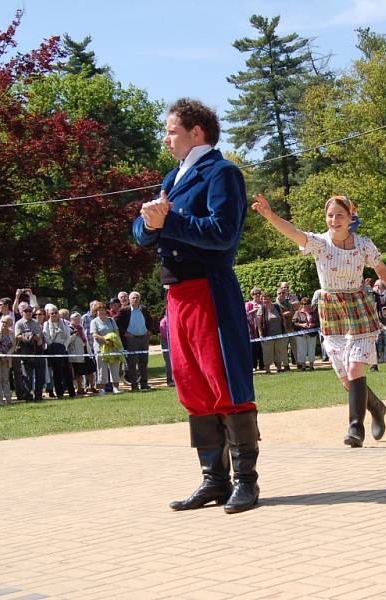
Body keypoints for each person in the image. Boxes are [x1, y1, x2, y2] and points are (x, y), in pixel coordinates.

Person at [134, 97, 259, 513]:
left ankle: (246, 481)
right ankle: (214, 479)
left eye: (171, 130)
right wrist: (150, 224)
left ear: (197, 132)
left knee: (225, 382)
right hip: (178, 294)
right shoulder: (172, 177)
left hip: (209, 288)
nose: (166, 138)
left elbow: (222, 233)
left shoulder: (222, 173)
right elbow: (142, 230)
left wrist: (168, 220)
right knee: (193, 387)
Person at [251, 193, 386, 447]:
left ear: (350, 218)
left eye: (340, 215)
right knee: (347, 379)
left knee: (355, 367)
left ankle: (355, 428)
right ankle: (376, 406)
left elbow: (380, 268)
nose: (334, 220)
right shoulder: (320, 243)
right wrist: (270, 215)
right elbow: (293, 232)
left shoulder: (364, 244)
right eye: (330, 215)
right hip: (331, 310)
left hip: (358, 306)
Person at [116, 291, 153, 392]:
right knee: (132, 363)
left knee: (144, 362)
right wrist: (125, 333)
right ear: (130, 299)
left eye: (137, 298)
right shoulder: (124, 310)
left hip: (144, 338)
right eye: (133, 298)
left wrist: (149, 330)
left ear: (139, 299)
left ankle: (144, 384)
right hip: (131, 339)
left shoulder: (144, 309)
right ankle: (134, 385)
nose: (135, 300)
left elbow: (150, 320)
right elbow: (117, 323)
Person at [43, 303, 75, 398]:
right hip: (52, 350)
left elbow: (68, 336)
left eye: (56, 312)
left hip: (63, 349)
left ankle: (71, 392)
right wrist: (53, 346)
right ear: (49, 314)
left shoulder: (64, 323)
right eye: (52, 313)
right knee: (56, 372)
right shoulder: (46, 324)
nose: (54, 314)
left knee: (67, 372)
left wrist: (63, 347)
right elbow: (46, 337)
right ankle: (59, 393)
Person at [15, 305, 45, 402]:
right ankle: (28, 396)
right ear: (22, 312)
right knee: (27, 377)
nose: (28, 312)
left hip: (37, 351)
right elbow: (17, 336)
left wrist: (28, 335)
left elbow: (38, 337)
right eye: (26, 311)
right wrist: (29, 336)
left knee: (40, 375)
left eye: (30, 311)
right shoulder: (19, 323)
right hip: (25, 352)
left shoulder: (36, 322)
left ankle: (38, 396)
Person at [256, 291, 287, 374]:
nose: (264, 300)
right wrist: (261, 335)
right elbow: (258, 324)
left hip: (279, 334)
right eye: (262, 299)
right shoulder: (261, 309)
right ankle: (268, 369)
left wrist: (285, 330)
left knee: (278, 351)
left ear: (270, 298)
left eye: (266, 298)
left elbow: (282, 319)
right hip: (267, 335)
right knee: (267, 352)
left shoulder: (277, 306)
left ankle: (279, 368)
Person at [68, 312, 95, 395]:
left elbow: (85, 339)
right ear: (71, 320)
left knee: (91, 370)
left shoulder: (81, 327)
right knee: (78, 372)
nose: (77, 321)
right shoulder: (68, 328)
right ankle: (80, 389)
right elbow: (68, 342)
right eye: (75, 319)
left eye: (78, 319)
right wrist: (74, 335)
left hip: (85, 350)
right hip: (76, 352)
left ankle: (92, 387)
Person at [292, 296, 318, 370]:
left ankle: (311, 365)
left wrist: (313, 324)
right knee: (301, 350)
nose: (306, 305)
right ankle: (303, 366)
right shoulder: (298, 312)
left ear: (310, 304)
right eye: (304, 304)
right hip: (301, 334)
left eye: (307, 304)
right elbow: (294, 322)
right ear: (301, 304)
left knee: (311, 349)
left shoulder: (314, 312)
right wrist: (301, 325)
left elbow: (318, 323)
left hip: (312, 334)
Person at [158, 313, 174, 387]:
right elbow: (164, 334)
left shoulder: (173, 319)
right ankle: (169, 380)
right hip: (166, 343)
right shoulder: (163, 321)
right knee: (169, 363)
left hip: (174, 343)